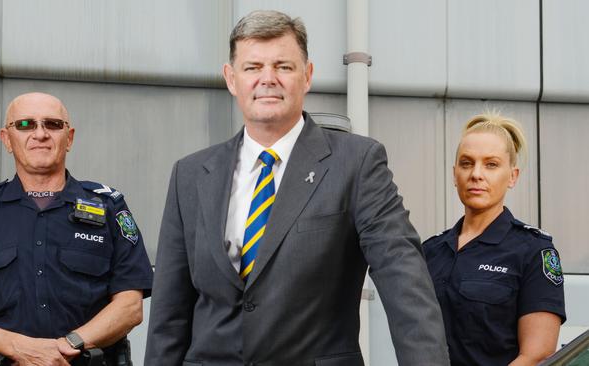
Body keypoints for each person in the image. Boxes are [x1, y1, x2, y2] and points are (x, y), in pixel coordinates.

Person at [145, 10, 448, 366]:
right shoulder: (191, 174)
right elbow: (170, 312)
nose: (267, 79)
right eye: (253, 67)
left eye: (283, 67)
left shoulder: (357, 163)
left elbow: (405, 282)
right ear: (231, 78)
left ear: (307, 76)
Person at [0, 92, 153, 366]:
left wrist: (67, 346)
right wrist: (19, 348)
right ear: (6, 139)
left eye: (52, 124)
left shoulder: (109, 207)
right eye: (26, 125)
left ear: (70, 138)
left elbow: (130, 307)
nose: (40, 134)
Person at [423, 113, 566, 366]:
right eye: (467, 163)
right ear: (454, 174)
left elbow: (537, 355)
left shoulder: (532, 251)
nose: (476, 174)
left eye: (491, 164)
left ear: (512, 176)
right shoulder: (431, 251)